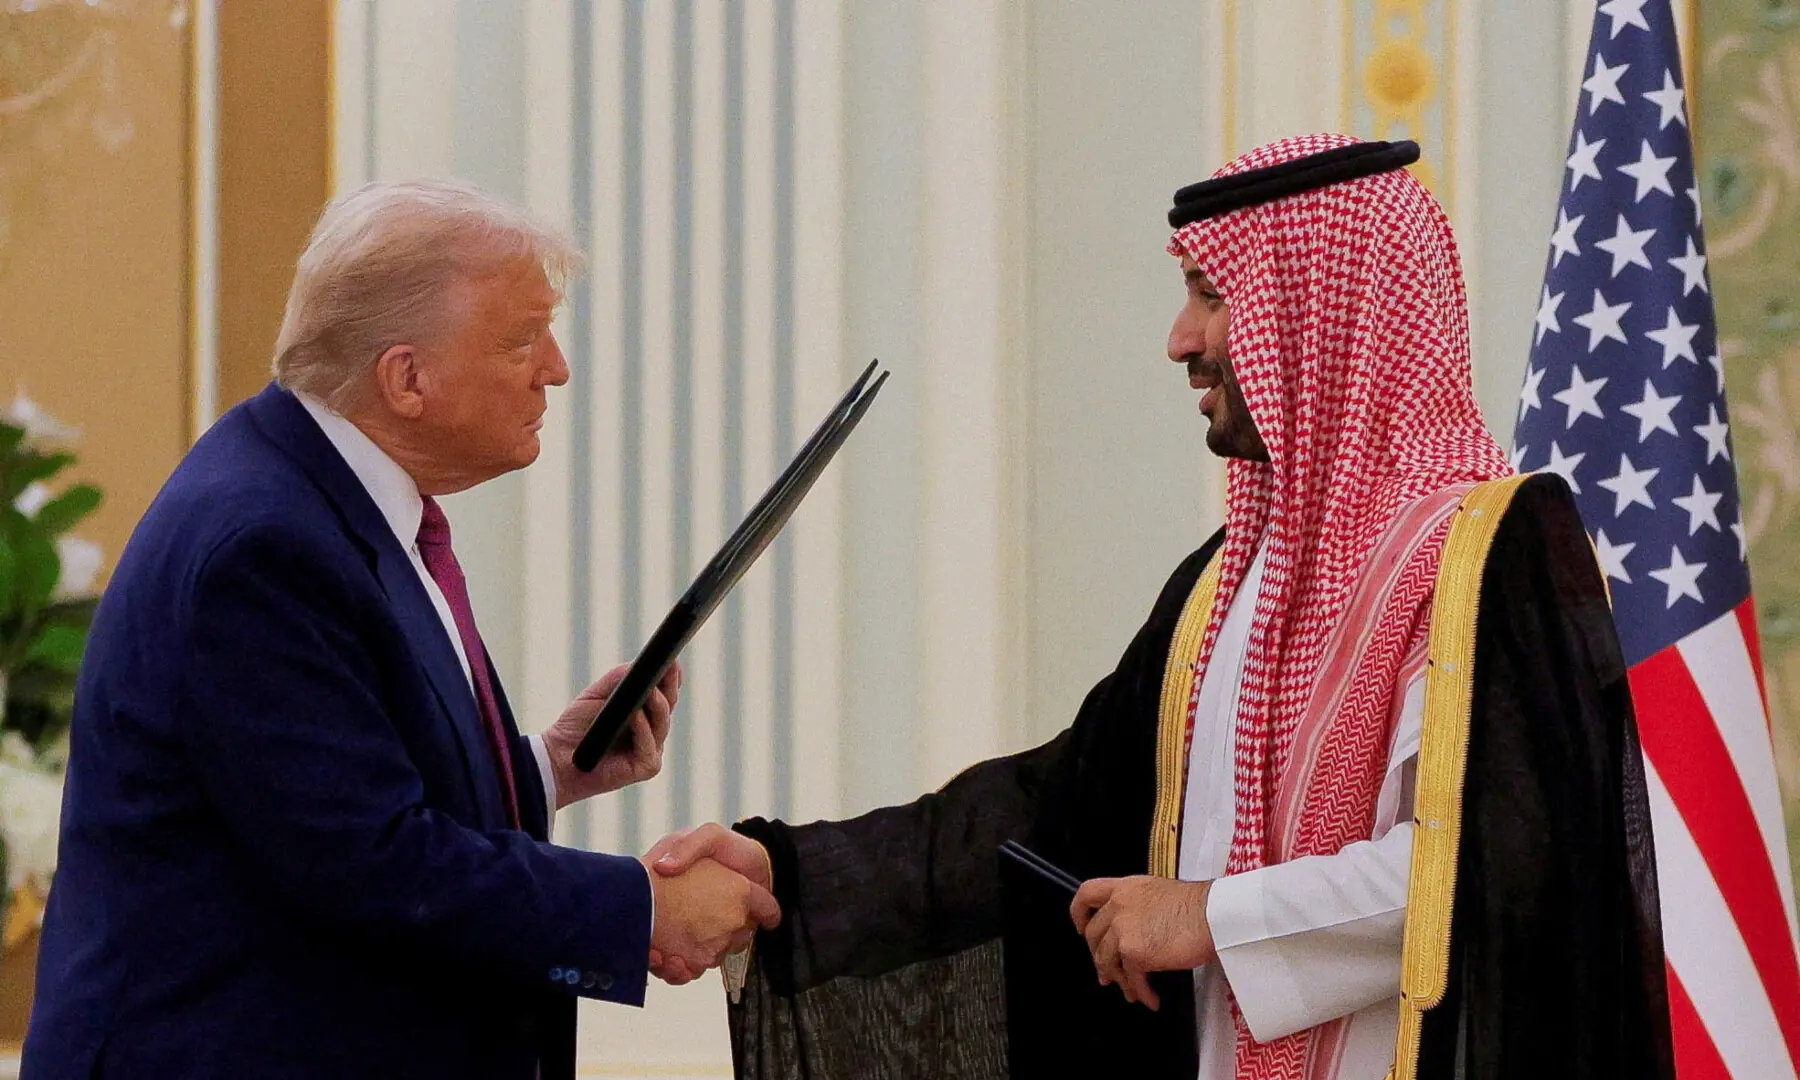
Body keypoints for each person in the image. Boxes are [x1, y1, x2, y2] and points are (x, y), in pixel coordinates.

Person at [649, 136, 1673, 1080]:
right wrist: (790, 873)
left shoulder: (1489, 560)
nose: (1179, 340)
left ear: (1325, 309)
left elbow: (1508, 867)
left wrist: (1215, 917)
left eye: (1209, 294)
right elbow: (1051, 808)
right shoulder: (1229, 582)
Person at [23, 179, 780, 1080]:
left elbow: (329, 800)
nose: (556, 368)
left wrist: (541, 771)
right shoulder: (263, 547)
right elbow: (369, 864)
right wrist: (640, 910)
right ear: (406, 378)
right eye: (520, 339)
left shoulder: (323, 498)